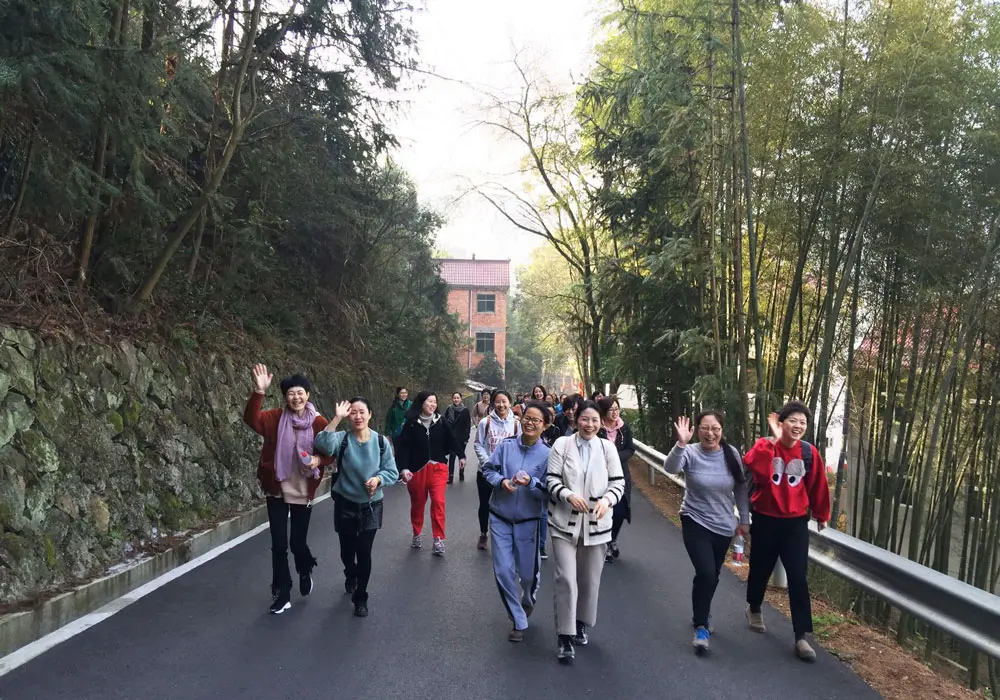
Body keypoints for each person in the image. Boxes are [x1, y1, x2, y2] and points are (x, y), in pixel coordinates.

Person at [743, 401, 831, 662]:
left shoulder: (808, 452)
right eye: (792, 420)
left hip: (795, 522)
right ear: (780, 423)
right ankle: (754, 607)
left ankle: (801, 636)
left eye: (802, 422)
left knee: (798, 577)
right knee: (760, 568)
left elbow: (817, 484)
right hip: (766, 518)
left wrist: (822, 514)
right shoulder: (765, 446)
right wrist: (773, 440)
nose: (798, 426)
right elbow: (756, 467)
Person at [243, 365, 333, 614]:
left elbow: (330, 450)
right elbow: (251, 419)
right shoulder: (274, 418)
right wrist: (259, 392)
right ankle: (282, 592)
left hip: (303, 489)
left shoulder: (318, 422)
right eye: (291, 393)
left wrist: (318, 460)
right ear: (285, 397)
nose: (296, 397)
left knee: (297, 543)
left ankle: (304, 568)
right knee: (279, 544)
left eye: (300, 392)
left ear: (308, 395)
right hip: (277, 488)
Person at [546, 400, 626, 663]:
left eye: (594, 420)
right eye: (584, 419)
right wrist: (568, 495)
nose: (589, 425)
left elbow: (618, 483)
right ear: (575, 419)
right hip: (563, 522)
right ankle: (564, 635)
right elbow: (551, 479)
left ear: (601, 423)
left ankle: (581, 622)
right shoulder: (562, 445)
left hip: (597, 524)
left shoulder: (607, 448)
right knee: (566, 578)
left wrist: (607, 500)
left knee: (590, 579)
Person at [664, 412, 750, 653]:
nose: (710, 433)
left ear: (722, 430)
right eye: (704, 428)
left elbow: (741, 488)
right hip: (695, 519)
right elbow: (670, 467)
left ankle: (702, 612)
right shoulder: (690, 452)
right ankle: (701, 625)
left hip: (724, 525)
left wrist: (744, 519)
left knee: (712, 575)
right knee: (706, 571)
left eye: (715, 429)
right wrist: (681, 443)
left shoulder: (731, 454)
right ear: (697, 430)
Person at [314, 398, 399, 617]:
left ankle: (361, 596)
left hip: (371, 505)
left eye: (362, 412)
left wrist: (378, 479)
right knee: (347, 551)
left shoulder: (381, 442)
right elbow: (322, 444)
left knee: (364, 551)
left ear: (370, 414)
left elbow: (392, 471)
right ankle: (350, 573)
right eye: (353, 412)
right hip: (345, 504)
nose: (358, 416)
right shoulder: (342, 439)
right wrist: (336, 418)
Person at [482, 401, 552, 642]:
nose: (529, 423)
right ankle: (518, 619)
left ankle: (527, 600)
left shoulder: (548, 455)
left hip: (529, 521)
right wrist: (501, 481)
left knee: (528, 575)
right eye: (526, 418)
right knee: (503, 570)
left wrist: (531, 483)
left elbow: (549, 491)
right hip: (499, 516)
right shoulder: (506, 446)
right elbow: (488, 470)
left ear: (545, 425)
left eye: (536, 420)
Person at [395, 391, 460, 555]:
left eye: (434, 402)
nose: (432, 405)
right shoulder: (411, 424)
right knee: (418, 504)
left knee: (438, 502)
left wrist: (462, 455)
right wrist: (404, 468)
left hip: (438, 468)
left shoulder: (441, 421)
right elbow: (403, 448)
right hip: (417, 470)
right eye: (429, 401)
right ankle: (417, 532)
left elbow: (452, 439)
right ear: (421, 403)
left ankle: (438, 539)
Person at [474, 390, 521, 550]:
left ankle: (505, 535)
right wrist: (488, 462)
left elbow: (520, 446)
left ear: (510, 403)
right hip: (486, 472)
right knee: (485, 504)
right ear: (493, 403)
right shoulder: (485, 422)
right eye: (498, 401)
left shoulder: (516, 424)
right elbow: (478, 444)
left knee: (507, 504)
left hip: (507, 473)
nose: (501, 405)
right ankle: (483, 533)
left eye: (504, 401)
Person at [596, 396, 636, 563]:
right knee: (604, 509)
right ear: (604, 411)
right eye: (611, 409)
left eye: (617, 409)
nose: (614, 412)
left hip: (621, 473)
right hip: (600, 475)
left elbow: (630, 449)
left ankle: (612, 539)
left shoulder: (624, 427)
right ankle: (603, 543)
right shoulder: (598, 428)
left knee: (620, 511)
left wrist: (614, 457)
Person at [443, 392, 471, 483]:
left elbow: (468, 425)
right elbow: (444, 422)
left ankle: (461, 472)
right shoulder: (449, 409)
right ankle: (450, 476)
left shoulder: (465, 410)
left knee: (461, 456)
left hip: (462, 437)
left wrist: (466, 438)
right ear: (452, 399)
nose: (456, 399)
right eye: (454, 398)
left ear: (461, 399)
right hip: (452, 437)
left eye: (458, 398)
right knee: (452, 456)